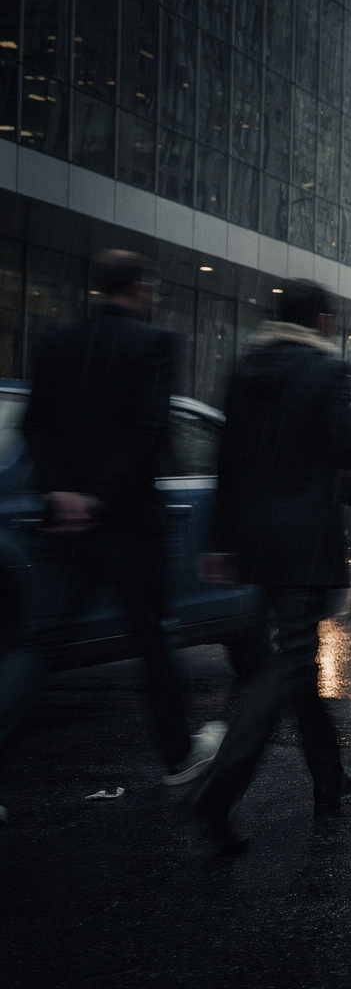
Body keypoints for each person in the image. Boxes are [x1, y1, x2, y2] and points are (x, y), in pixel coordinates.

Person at [3, 252, 222, 788]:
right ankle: (179, 754)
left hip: (65, 525)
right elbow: (149, 430)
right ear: (140, 287)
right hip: (128, 523)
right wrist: (98, 497)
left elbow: (35, 425)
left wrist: (64, 492)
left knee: (40, 643)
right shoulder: (154, 344)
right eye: (153, 288)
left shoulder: (59, 342)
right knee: (154, 637)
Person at [192, 280, 351, 854]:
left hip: (257, 537)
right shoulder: (328, 371)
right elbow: (350, 451)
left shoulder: (246, 368)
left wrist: (221, 542)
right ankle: (218, 793)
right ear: (319, 320)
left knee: (297, 660)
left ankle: (329, 776)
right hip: (306, 538)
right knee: (290, 663)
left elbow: (226, 458)